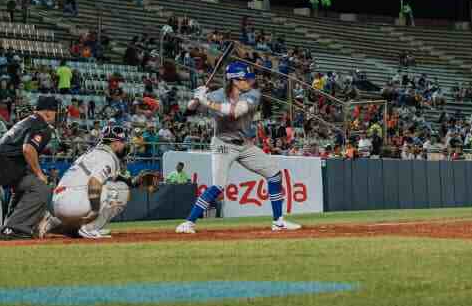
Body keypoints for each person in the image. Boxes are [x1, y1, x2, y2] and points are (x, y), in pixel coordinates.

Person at [176, 62, 301, 233]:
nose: (250, 82)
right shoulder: (217, 95)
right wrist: (197, 99)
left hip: (244, 144)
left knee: (274, 175)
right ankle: (188, 223)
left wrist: (206, 101)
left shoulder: (252, 94)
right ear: (235, 81)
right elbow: (187, 112)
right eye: (246, 79)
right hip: (222, 145)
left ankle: (278, 221)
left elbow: (235, 111)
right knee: (218, 186)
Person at [37, 125, 146, 240]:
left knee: (73, 231)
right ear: (115, 143)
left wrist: (134, 182)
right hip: (73, 202)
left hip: (58, 204)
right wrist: (95, 210)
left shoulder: (92, 153)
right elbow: (95, 181)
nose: (125, 145)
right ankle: (91, 228)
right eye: (123, 142)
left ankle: (52, 224)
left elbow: (115, 178)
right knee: (121, 189)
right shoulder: (107, 157)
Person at [0, 96, 59, 240]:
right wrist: (40, 173)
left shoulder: (29, 121)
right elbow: (28, 149)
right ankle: (14, 228)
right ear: (48, 112)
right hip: (1, 165)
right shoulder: (42, 125)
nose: (57, 114)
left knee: (25, 186)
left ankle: (12, 225)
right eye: (55, 111)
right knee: (41, 186)